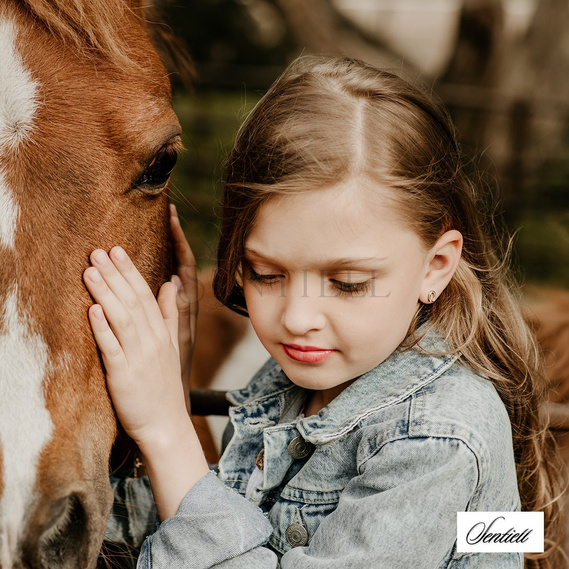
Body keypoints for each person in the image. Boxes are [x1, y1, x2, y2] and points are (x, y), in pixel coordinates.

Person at [84, 56, 562, 568]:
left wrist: (167, 428)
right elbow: (216, 534)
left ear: (436, 266)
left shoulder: (435, 436)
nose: (296, 317)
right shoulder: (309, 378)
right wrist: (168, 387)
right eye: (266, 274)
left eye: (348, 283)